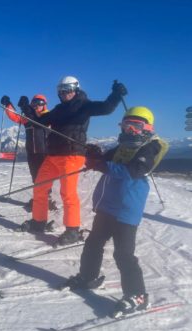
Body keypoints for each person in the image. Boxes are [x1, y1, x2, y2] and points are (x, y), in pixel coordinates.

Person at [62, 106, 168, 318]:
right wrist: (94, 154)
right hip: (107, 206)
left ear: (148, 127)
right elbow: (105, 160)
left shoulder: (151, 147)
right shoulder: (122, 146)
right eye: (126, 125)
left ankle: (138, 295)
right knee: (93, 243)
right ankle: (88, 277)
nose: (130, 130)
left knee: (123, 254)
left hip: (126, 210)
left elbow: (135, 170)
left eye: (136, 126)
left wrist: (102, 165)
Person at [19, 77, 127, 245]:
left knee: (67, 193)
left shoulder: (84, 105)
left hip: (72, 155)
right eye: (61, 90)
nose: (64, 93)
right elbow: (39, 122)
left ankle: (72, 230)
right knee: (40, 188)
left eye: (68, 89)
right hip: (53, 155)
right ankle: (38, 221)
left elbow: (106, 108)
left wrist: (115, 94)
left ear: (76, 89)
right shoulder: (59, 109)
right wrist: (27, 108)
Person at [2, 94, 57, 211]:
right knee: (35, 176)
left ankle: (47, 198)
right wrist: (8, 105)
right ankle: (39, 197)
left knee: (45, 177)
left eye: (39, 103)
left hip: (44, 152)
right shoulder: (27, 119)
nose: (37, 106)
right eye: (34, 104)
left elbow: (39, 121)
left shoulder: (47, 116)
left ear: (44, 105)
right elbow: (14, 116)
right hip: (31, 152)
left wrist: (27, 108)